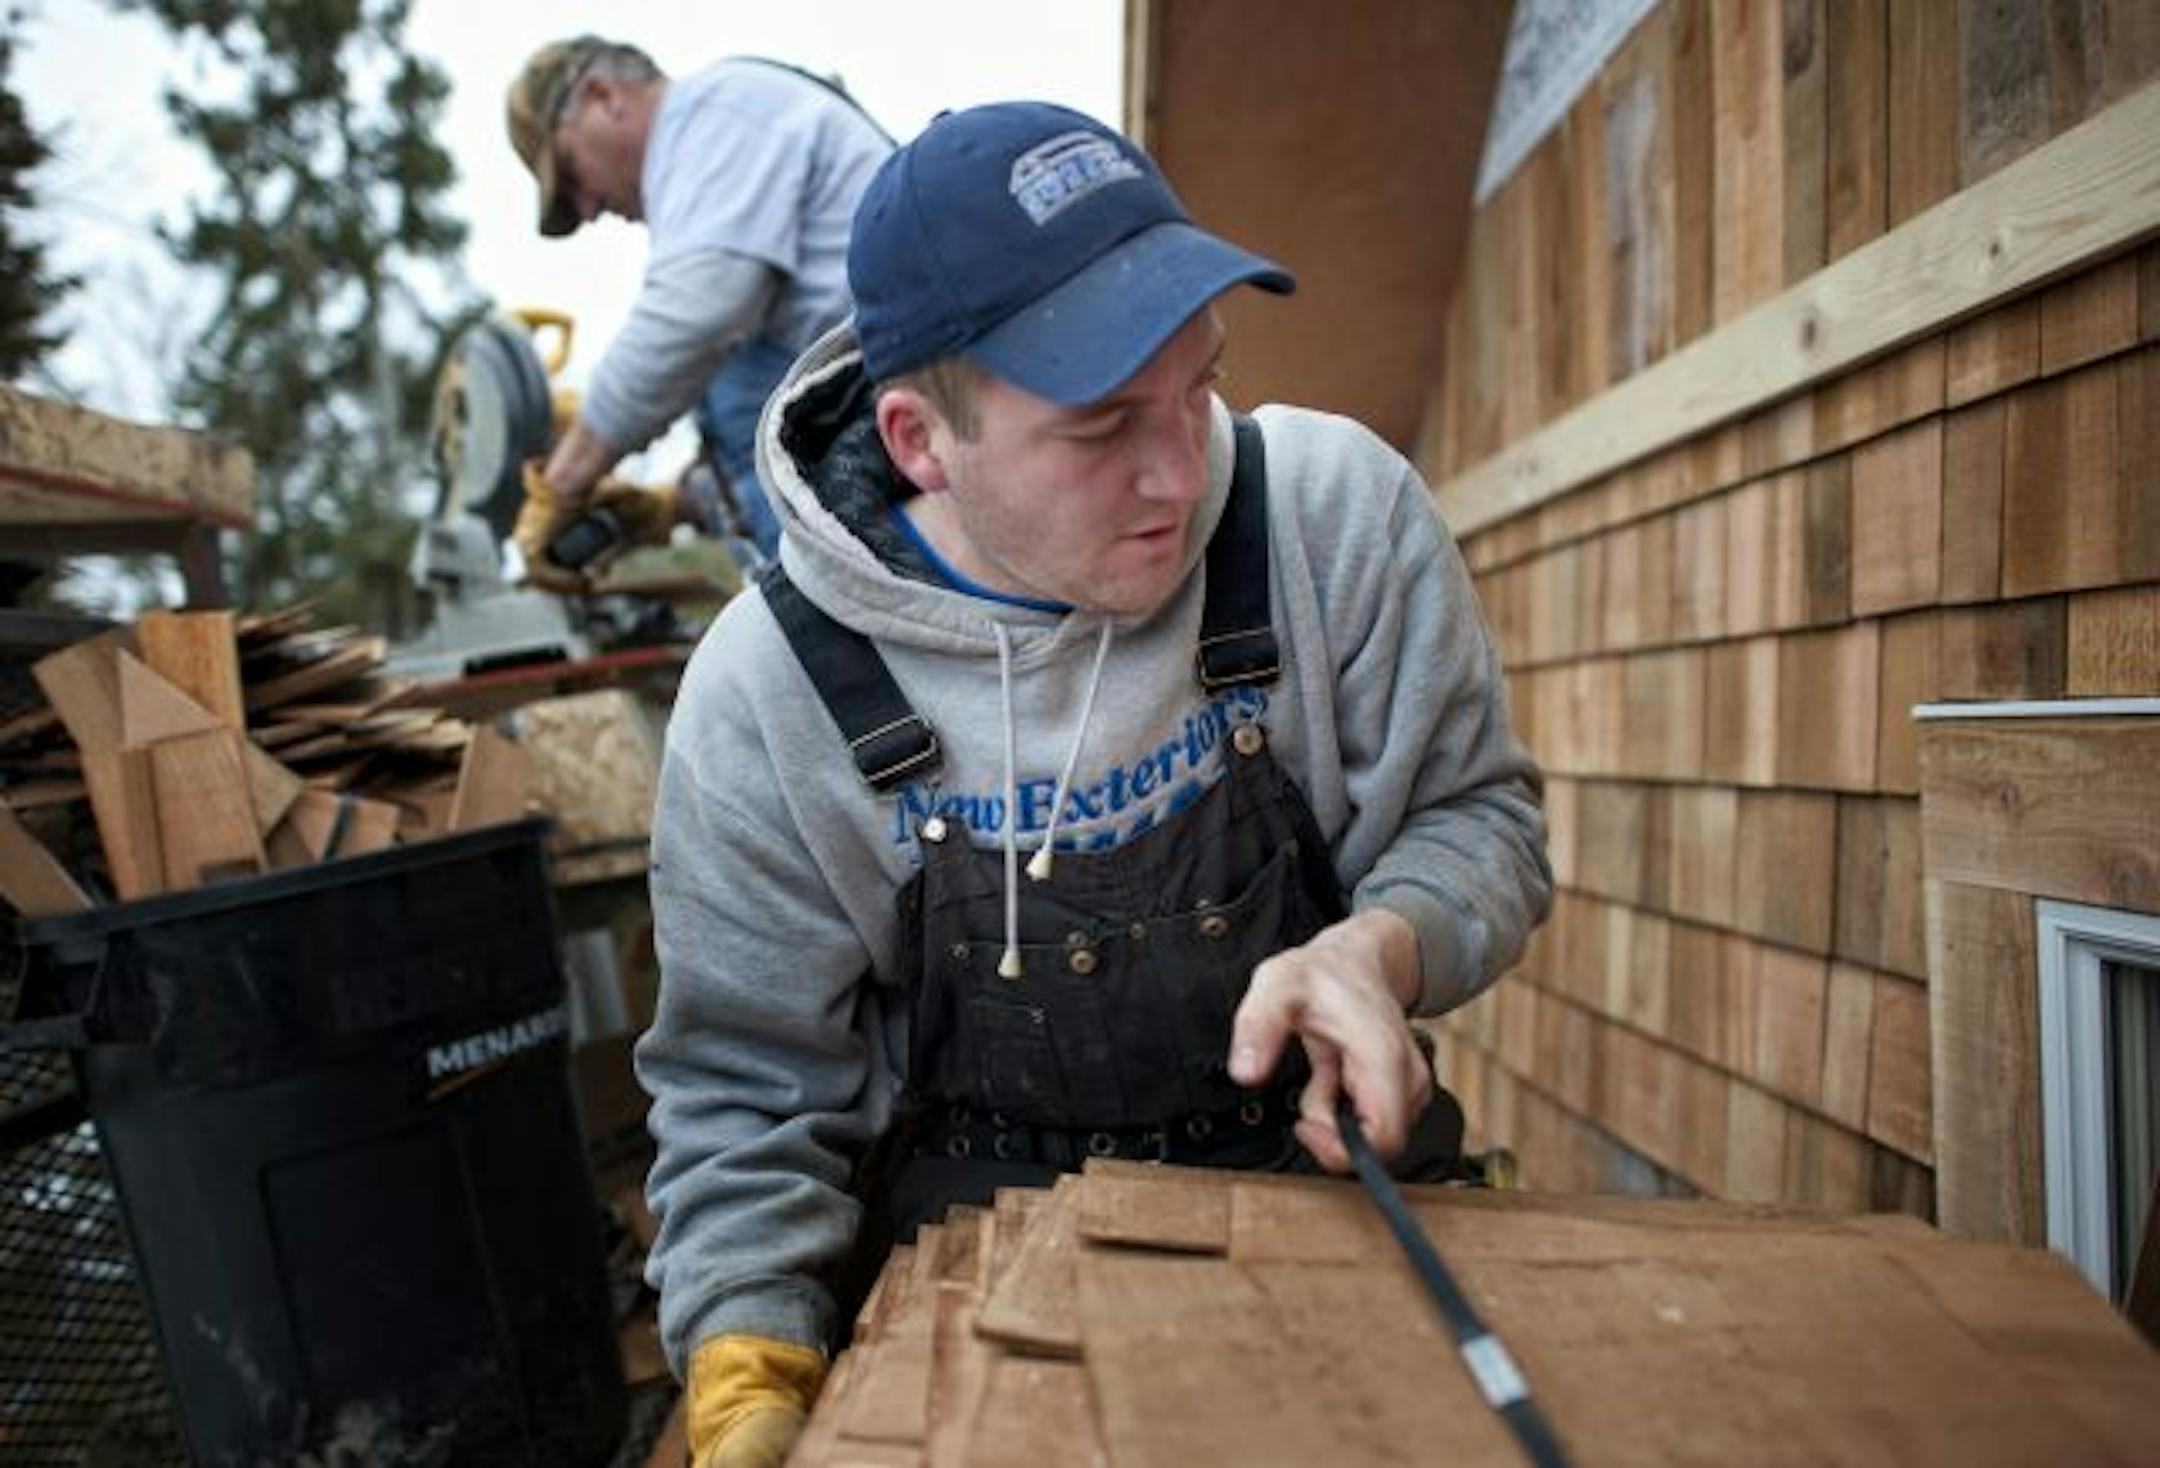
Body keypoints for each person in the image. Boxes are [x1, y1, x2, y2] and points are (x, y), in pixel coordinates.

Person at [638, 102, 1552, 1467]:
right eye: (1103, 423)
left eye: (1198, 383)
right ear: (917, 441)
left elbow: (1480, 820)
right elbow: (747, 1096)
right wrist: (750, 1373)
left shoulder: (1329, 515)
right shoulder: (765, 698)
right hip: (980, 1282)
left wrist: (1386, 946)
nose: (1179, 472)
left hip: (1335, 1202)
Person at [503, 36, 892, 577]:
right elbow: (767, 425)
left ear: (602, 96)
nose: (587, 209)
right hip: (860, 486)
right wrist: (673, 504)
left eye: (571, 174)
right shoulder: (713, 162)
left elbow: (699, 316)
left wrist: (563, 483)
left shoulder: (715, 115)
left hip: (891, 466)